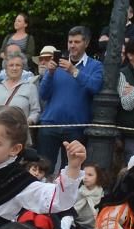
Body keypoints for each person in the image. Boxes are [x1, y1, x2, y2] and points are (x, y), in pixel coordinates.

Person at [37, 27, 103, 171]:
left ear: (86, 43)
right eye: (70, 41)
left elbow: (95, 87)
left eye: (77, 42)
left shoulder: (95, 66)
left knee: (70, 171)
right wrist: (50, 73)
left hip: (76, 127)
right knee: (43, 169)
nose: (72, 45)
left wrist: (74, 71)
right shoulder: (57, 65)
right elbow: (43, 94)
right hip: (49, 125)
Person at [0, 54, 40, 136]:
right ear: (5, 69)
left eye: (18, 65)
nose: (14, 68)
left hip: (19, 134)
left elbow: (36, 111)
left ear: (22, 68)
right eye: (11, 65)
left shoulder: (30, 87)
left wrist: (29, 121)